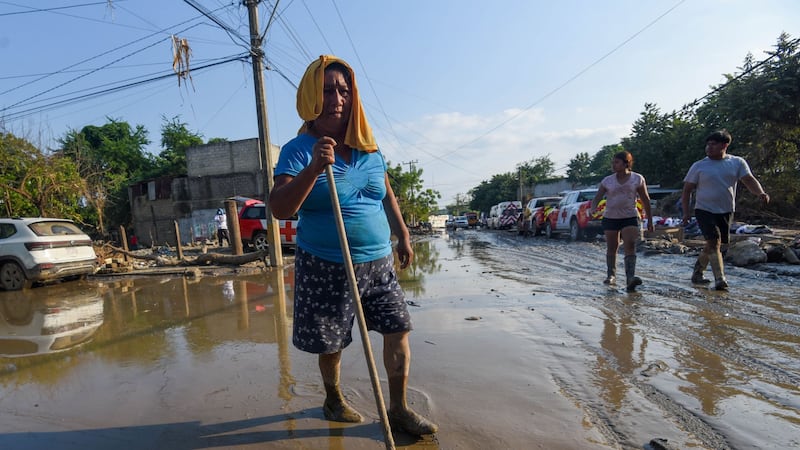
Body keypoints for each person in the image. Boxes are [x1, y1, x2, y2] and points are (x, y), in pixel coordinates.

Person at [268, 55, 437, 436]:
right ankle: (333, 397)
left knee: (398, 329)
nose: (337, 98)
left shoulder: (368, 146)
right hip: (328, 262)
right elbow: (279, 209)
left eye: (344, 90)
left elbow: (386, 193)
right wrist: (313, 168)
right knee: (333, 342)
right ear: (312, 96)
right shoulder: (298, 149)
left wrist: (403, 234)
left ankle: (398, 408)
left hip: (378, 263)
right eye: (328, 90)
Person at [681, 129, 770, 290]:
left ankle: (697, 272)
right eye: (707, 144)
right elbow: (687, 190)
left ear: (724, 145)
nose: (709, 148)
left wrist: (760, 193)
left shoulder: (737, 162)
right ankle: (720, 279)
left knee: (715, 245)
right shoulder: (699, 166)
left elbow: (749, 180)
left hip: (726, 210)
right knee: (714, 241)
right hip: (704, 209)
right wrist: (686, 212)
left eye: (713, 144)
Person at [591, 151, 654, 292]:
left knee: (630, 244)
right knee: (612, 246)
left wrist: (650, 220)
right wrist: (593, 208)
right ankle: (611, 275)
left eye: (617, 162)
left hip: (630, 216)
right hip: (610, 217)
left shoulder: (637, 179)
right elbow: (597, 197)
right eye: (613, 162)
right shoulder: (607, 180)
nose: (613, 165)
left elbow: (645, 199)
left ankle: (630, 278)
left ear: (627, 163)